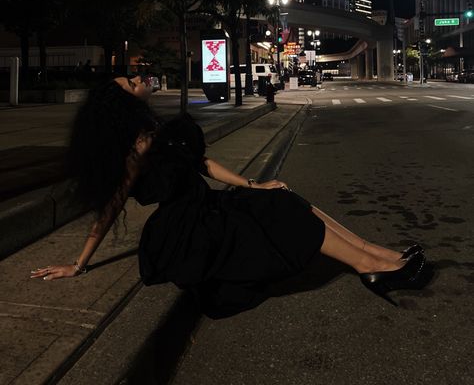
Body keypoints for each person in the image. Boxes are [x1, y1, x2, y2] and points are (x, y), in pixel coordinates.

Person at [30, 75, 429, 317]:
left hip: (208, 207)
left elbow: (204, 164)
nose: (139, 81)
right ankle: (368, 266)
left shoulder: (155, 132)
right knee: (281, 212)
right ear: (122, 106)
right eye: (131, 84)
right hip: (186, 231)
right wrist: (78, 264)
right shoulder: (136, 151)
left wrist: (253, 184)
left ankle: (378, 255)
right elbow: (110, 208)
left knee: (285, 198)